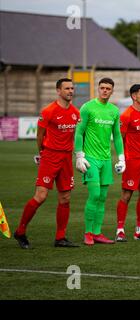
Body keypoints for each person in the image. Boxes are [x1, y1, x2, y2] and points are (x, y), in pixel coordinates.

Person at [14, 78, 80, 249]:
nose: (70, 91)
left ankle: (60, 238)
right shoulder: (49, 111)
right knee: (41, 196)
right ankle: (20, 231)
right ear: (58, 91)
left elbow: (74, 136)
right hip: (50, 156)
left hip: (66, 158)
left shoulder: (75, 112)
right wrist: (42, 154)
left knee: (65, 198)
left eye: (72, 88)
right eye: (67, 88)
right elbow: (40, 135)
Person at [74, 77, 125, 245]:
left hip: (106, 160)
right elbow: (79, 132)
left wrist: (121, 157)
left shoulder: (114, 110)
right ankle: (88, 232)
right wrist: (79, 155)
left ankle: (97, 232)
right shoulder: (87, 107)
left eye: (108, 88)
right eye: (102, 87)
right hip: (90, 159)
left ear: (112, 91)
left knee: (103, 197)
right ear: (98, 89)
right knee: (94, 194)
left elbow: (117, 136)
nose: (104, 90)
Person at [115, 84, 140, 242]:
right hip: (132, 160)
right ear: (134, 96)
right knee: (127, 194)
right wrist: (123, 158)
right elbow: (120, 139)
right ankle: (120, 230)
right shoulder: (126, 116)